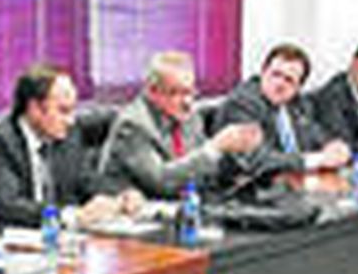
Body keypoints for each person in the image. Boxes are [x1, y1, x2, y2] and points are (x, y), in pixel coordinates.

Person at [0, 62, 141, 228]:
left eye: (73, 110)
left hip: (61, 242)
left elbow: (85, 179)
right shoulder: (0, 144)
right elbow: (8, 207)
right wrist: (69, 216)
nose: (71, 121)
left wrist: (123, 193)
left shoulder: (68, 137)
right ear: (34, 108)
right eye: (63, 111)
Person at [97, 50, 263, 198]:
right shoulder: (133, 125)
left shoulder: (189, 117)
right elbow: (161, 182)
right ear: (152, 91)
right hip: (130, 219)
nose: (188, 102)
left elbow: (200, 170)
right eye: (177, 93)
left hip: (178, 209)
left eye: (190, 91)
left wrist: (238, 154)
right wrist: (215, 147)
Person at [212, 42, 350, 175]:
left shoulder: (298, 104)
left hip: (291, 185)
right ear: (263, 72)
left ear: (298, 88)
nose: (279, 84)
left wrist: (333, 146)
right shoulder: (243, 103)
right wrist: (314, 160)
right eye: (275, 74)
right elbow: (256, 159)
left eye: (289, 80)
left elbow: (315, 133)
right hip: (250, 190)